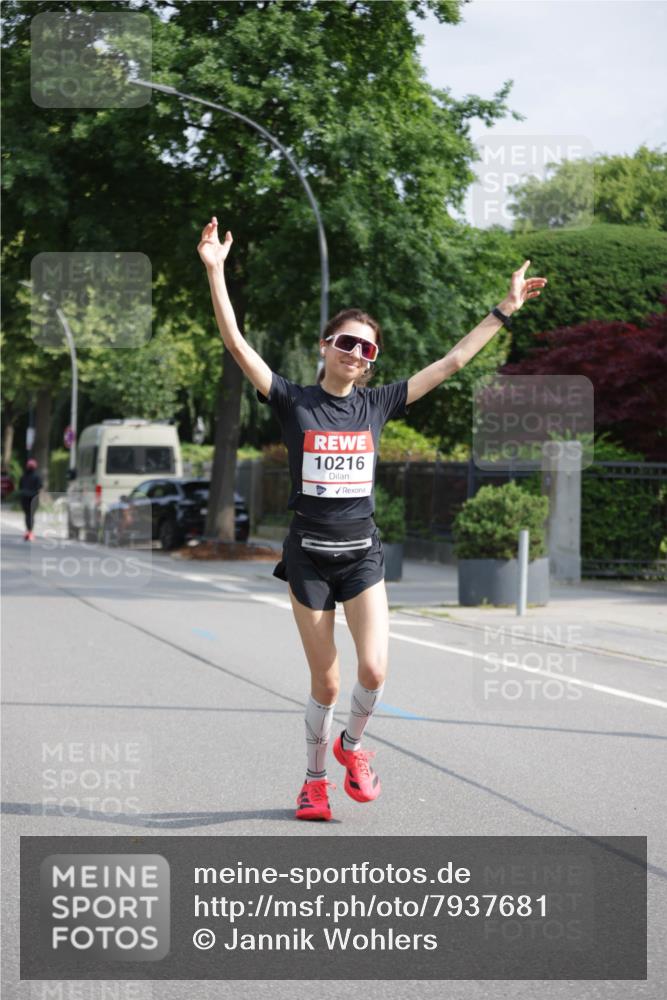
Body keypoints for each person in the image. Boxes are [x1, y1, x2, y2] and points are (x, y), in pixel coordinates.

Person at [198, 216, 546, 821]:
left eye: (368, 348)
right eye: (347, 343)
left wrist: (504, 310)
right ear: (325, 348)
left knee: (375, 670)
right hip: (309, 559)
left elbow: (453, 362)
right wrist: (214, 269)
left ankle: (352, 746)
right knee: (328, 686)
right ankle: (313, 783)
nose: (357, 353)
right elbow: (235, 342)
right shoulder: (291, 399)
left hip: (362, 556)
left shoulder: (378, 403)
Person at [19, 458, 42, 541]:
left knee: (27, 515)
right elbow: (39, 487)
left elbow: (20, 487)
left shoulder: (23, 476)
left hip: (24, 498)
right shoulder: (37, 477)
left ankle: (28, 532)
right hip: (33, 498)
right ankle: (30, 532)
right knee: (31, 516)